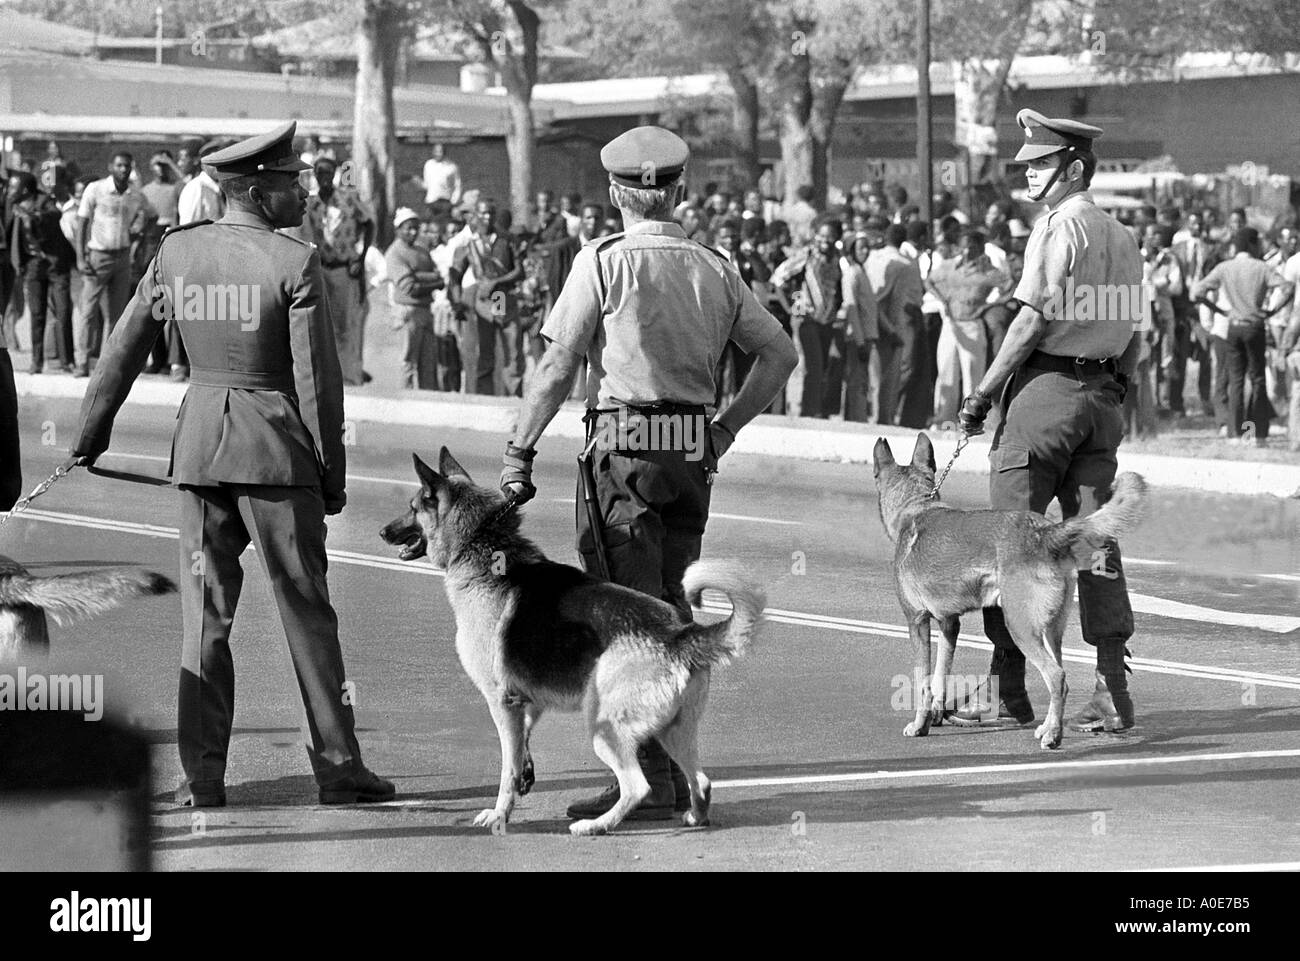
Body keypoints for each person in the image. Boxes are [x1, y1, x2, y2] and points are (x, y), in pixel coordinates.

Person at [67, 121, 394, 807]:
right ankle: (337, 767)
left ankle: (203, 778)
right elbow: (317, 386)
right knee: (307, 615)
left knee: (205, 620)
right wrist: (330, 472)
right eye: (291, 182)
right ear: (255, 189)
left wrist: (88, 436)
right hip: (276, 454)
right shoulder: (293, 263)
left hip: (200, 455)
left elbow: (122, 349)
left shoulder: (177, 254)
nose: (304, 191)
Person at [499, 125, 797, 822]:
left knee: (629, 618)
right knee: (673, 606)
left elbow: (555, 367)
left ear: (614, 194)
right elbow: (779, 355)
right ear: (680, 190)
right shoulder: (713, 264)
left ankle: (650, 776)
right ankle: (673, 765)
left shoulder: (600, 262)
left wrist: (519, 451)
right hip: (690, 452)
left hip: (625, 453)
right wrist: (723, 427)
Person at [954, 109, 1145, 733]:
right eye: (1029, 163)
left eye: (1041, 162)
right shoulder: (1121, 236)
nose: (1030, 173)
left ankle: (1006, 692)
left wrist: (981, 393)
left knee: (1012, 543)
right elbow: (1135, 336)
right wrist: (1115, 390)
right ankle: (1112, 692)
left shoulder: (1058, 228)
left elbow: (1029, 322)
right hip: (1102, 399)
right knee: (1094, 542)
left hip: (1046, 395)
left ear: (1074, 168)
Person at [1189, 227, 1293, 445]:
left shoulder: (1224, 267)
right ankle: (1257, 434)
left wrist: (1220, 311)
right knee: (1257, 380)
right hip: (1254, 325)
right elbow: (1288, 287)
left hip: (1232, 327)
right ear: (1253, 244)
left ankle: (1236, 434)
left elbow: (1196, 292)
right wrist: (1272, 311)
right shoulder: (1261, 267)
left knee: (1235, 381)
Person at [289, 155, 375, 386]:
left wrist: (361, 255)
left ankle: (348, 375)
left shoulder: (348, 199)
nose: (324, 178)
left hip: (343, 268)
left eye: (328, 173)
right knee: (320, 324)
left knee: (345, 324)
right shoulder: (311, 203)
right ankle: (325, 376)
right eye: (320, 173)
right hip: (321, 268)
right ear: (315, 175)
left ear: (334, 173)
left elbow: (369, 223)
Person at [73, 152, 157, 378]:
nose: (123, 170)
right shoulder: (96, 189)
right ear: (111, 166)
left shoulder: (134, 193)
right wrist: (80, 257)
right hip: (97, 256)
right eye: (119, 165)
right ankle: (81, 361)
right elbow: (81, 223)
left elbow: (152, 215)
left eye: (127, 166)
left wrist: (139, 235)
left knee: (117, 314)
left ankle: (105, 364)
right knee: (88, 311)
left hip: (122, 257)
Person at [927, 226, 1009, 428]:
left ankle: (971, 421)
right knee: (946, 372)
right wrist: (942, 300)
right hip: (950, 324)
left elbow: (1010, 286)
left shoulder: (989, 271)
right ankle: (943, 420)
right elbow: (929, 281)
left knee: (973, 376)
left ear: (981, 249)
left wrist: (990, 305)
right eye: (963, 248)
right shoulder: (948, 266)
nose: (966, 252)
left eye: (971, 248)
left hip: (972, 323)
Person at [448, 198, 522, 396]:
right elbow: (454, 276)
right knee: (485, 351)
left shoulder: (506, 241)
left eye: (491, 213)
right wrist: (456, 303)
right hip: (483, 303)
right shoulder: (467, 245)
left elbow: (519, 271)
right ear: (476, 216)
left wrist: (497, 282)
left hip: (503, 297)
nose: (487, 218)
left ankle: (513, 395)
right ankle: (484, 396)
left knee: (512, 350)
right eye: (483, 213)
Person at [7, 169, 74, 374]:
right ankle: (36, 361)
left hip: (55, 264)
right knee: (37, 315)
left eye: (13, 186)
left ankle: (67, 361)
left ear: (25, 189)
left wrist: (33, 216)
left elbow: (55, 214)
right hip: (33, 265)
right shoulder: (11, 205)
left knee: (63, 311)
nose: (10, 190)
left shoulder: (44, 200)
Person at [867, 224, 926, 427]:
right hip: (895, 322)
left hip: (869, 320)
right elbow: (912, 299)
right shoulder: (905, 264)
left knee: (872, 373)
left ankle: (874, 415)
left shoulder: (870, 257)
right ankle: (886, 416)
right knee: (893, 373)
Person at [387, 208, 447, 390]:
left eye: (415, 228)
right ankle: (404, 402)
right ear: (398, 229)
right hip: (407, 312)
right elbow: (409, 287)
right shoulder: (394, 253)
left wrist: (418, 275)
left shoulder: (422, 251)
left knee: (429, 363)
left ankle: (429, 405)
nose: (413, 232)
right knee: (408, 361)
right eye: (408, 228)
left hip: (425, 310)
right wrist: (432, 281)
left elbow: (440, 277)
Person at [139, 152, 184, 375]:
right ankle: (155, 359)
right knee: (153, 306)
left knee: (171, 307)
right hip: (149, 249)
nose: (161, 168)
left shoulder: (177, 188)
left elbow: (188, 182)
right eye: (157, 164)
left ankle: (172, 360)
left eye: (164, 165)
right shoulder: (145, 191)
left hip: (171, 245)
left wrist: (172, 165)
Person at [421, 143, 462, 220]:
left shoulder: (452, 166)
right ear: (433, 152)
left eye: (441, 151)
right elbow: (426, 184)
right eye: (436, 151)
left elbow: (458, 186)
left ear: (444, 152)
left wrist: (453, 202)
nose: (439, 154)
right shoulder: (428, 165)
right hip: (431, 201)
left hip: (445, 202)